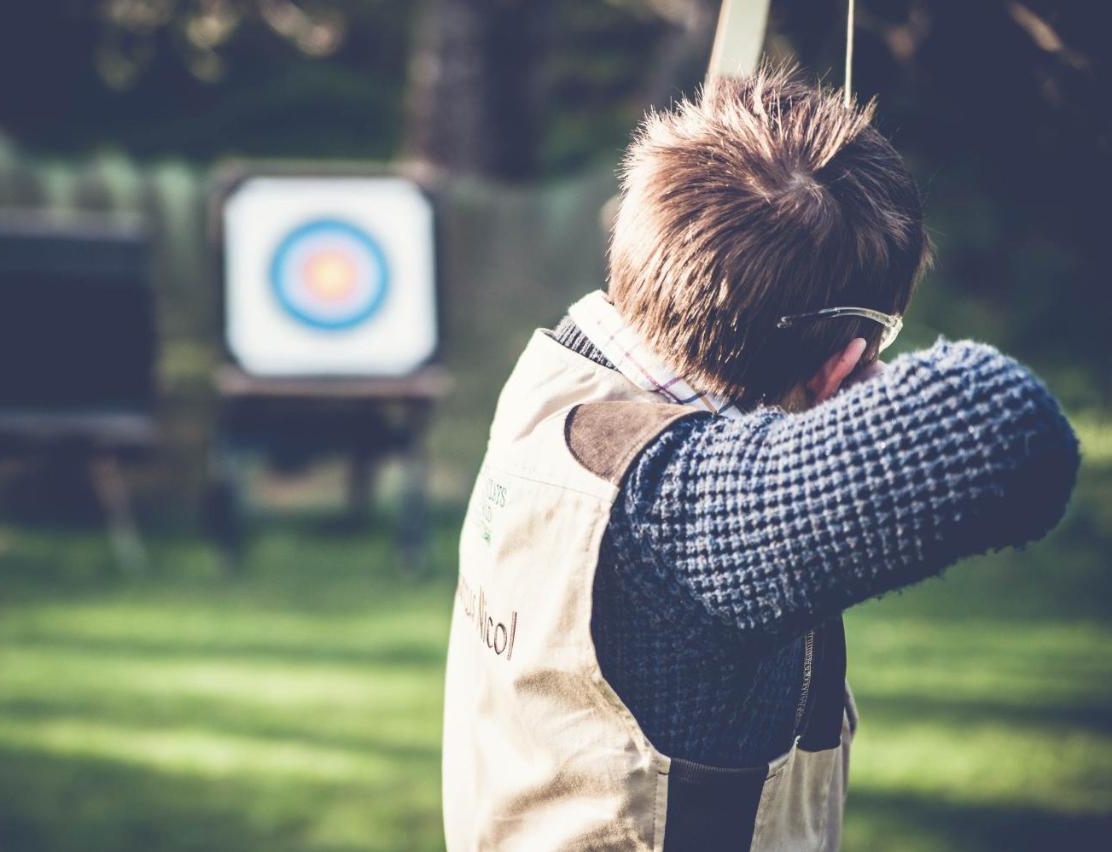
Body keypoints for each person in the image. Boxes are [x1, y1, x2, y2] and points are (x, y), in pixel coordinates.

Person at [441, 66, 1080, 852]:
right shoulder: (678, 517)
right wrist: (844, 391)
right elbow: (1008, 430)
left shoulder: (559, 376)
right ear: (842, 364)